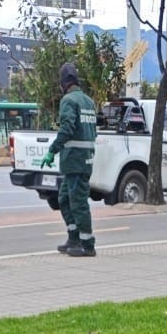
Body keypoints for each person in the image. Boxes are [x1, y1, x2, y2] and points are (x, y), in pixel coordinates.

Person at [39, 62, 98, 258]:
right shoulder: (88, 102)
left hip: (75, 161)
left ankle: (87, 244)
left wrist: (52, 151)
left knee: (78, 202)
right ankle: (74, 237)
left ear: (63, 83)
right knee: (64, 199)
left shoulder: (69, 101)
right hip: (83, 160)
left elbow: (67, 129)